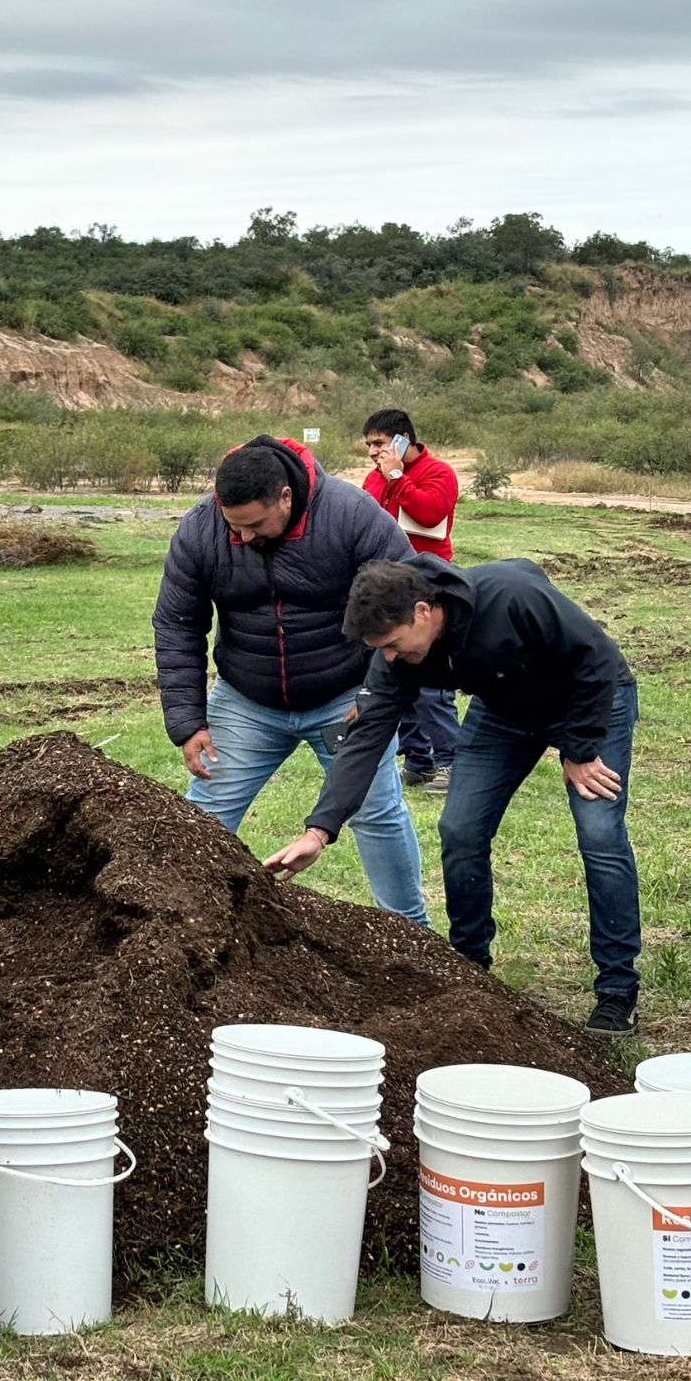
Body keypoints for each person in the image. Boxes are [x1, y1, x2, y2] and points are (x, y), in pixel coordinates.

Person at [263, 555, 642, 1033]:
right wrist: (319, 831)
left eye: (395, 645)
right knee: (459, 828)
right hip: (506, 710)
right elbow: (367, 738)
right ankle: (470, 965)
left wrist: (581, 747)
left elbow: (596, 659)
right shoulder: (396, 656)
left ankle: (617, 988)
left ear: (424, 611)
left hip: (590, 699)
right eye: (381, 649)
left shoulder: (509, 597)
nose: (391, 658)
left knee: (599, 833)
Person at [153, 433, 429, 923]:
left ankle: (413, 932)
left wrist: (373, 696)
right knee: (204, 815)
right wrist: (187, 721)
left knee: (375, 810)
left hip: (344, 693)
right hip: (246, 699)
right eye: (232, 526)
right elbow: (177, 625)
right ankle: (178, 927)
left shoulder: (351, 515)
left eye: (254, 525)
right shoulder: (201, 530)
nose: (241, 538)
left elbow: (404, 604)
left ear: (285, 496)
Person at [362, 408, 460, 792]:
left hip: (427, 586)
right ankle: (418, 759)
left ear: (403, 441)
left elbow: (431, 512)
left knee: (434, 679)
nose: (372, 452)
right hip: (387, 587)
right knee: (396, 671)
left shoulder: (439, 473)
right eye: (369, 444)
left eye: (380, 443)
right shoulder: (373, 479)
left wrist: (397, 479)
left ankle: (451, 761)